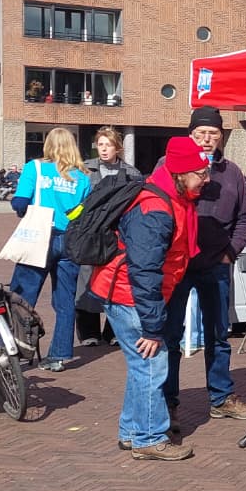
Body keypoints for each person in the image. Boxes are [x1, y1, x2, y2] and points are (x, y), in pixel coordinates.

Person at [90, 136, 209, 460]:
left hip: (130, 292)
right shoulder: (154, 208)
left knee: (143, 366)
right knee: (153, 364)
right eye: (201, 172)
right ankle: (148, 438)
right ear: (181, 173)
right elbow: (144, 271)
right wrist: (153, 327)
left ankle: (131, 431)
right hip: (129, 295)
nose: (206, 178)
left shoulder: (174, 198)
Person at [158, 107, 246, 429]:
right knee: (170, 334)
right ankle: (167, 401)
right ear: (190, 135)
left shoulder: (232, 173)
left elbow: (245, 216)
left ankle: (220, 397)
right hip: (177, 264)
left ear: (221, 136)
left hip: (216, 264)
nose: (206, 138)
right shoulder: (167, 166)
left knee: (218, 334)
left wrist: (231, 250)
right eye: (200, 133)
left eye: (213, 133)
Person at [11, 127, 92, 372]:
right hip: (69, 238)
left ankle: (17, 349)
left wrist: (25, 209)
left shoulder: (35, 168)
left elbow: (20, 202)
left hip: (40, 235)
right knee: (65, 299)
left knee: (22, 296)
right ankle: (58, 355)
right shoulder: (83, 177)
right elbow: (82, 212)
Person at [76, 127, 143, 347]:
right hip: (92, 230)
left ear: (118, 148)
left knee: (115, 277)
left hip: (117, 232)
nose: (104, 149)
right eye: (101, 144)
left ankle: (113, 330)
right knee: (86, 278)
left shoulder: (131, 173)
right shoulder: (85, 169)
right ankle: (88, 331)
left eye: (109, 145)